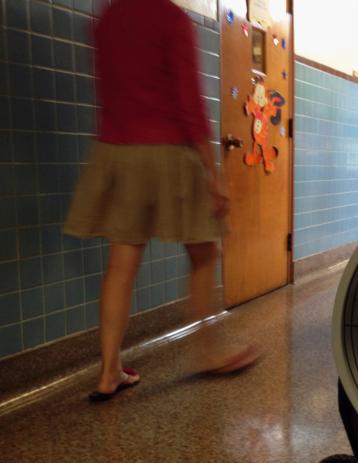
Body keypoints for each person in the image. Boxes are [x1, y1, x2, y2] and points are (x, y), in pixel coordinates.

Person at [63, 0, 257, 401]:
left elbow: (108, 92)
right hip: (169, 151)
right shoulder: (171, 18)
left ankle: (108, 371)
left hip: (117, 151)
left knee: (122, 263)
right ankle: (206, 354)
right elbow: (189, 102)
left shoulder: (107, 20)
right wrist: (213, 173)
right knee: (203, 254)